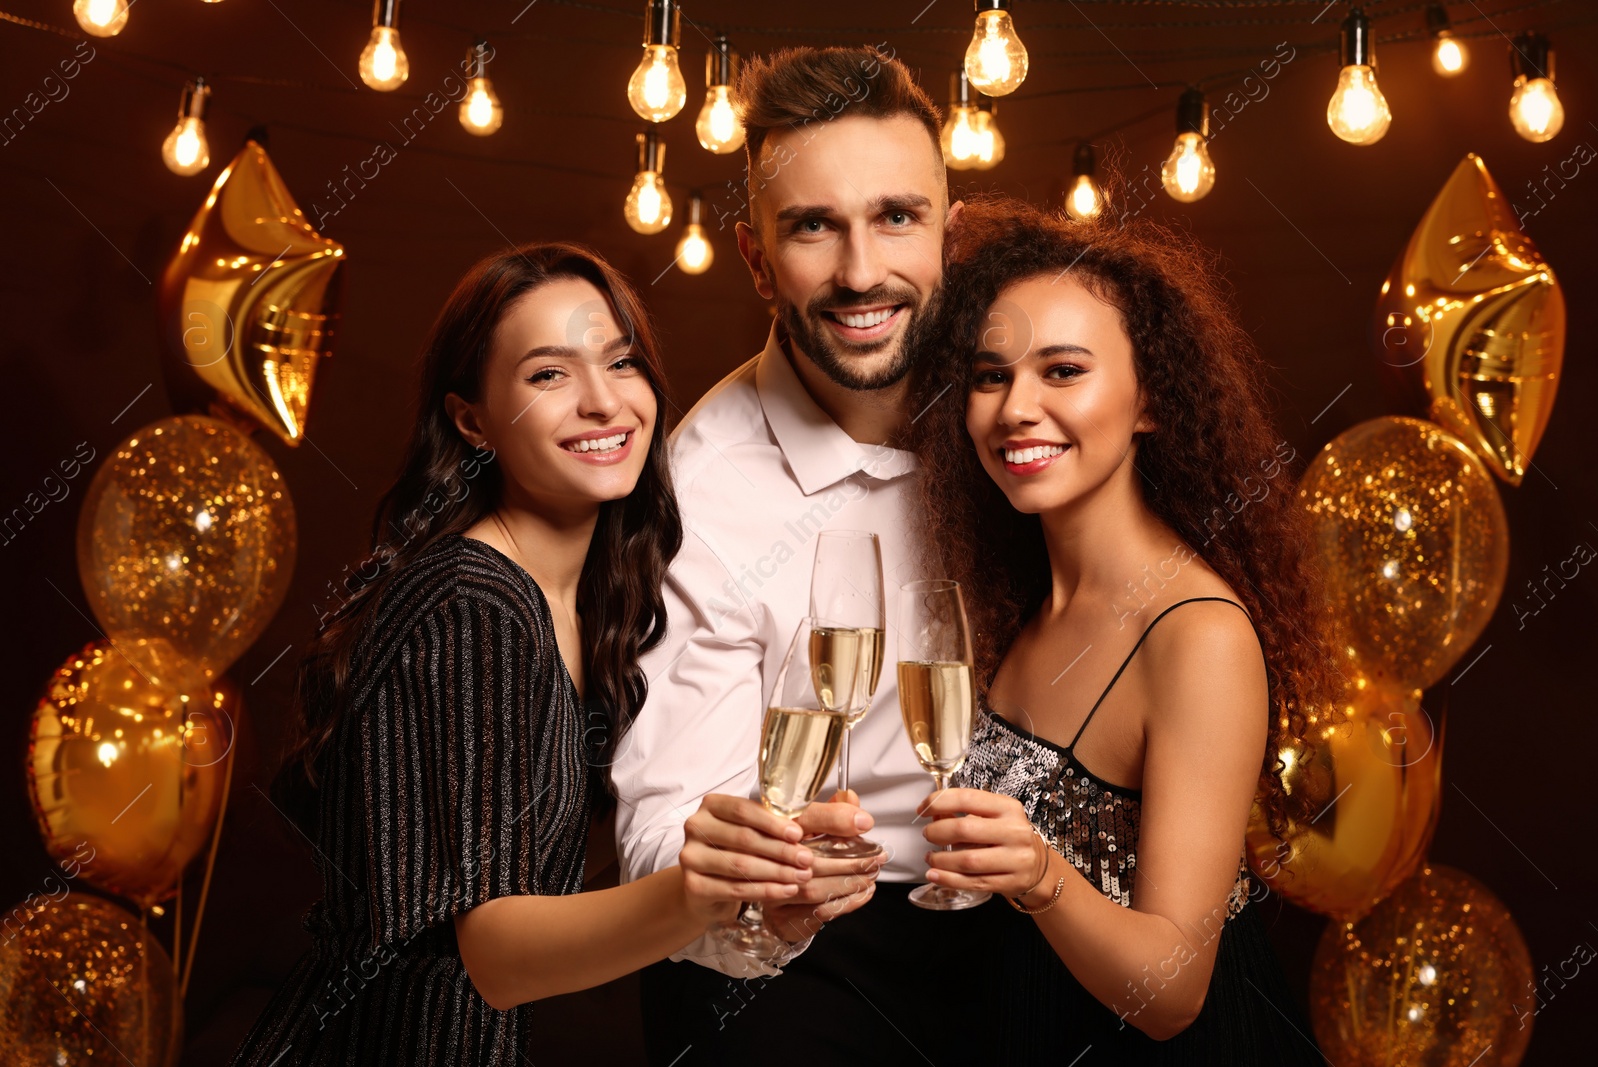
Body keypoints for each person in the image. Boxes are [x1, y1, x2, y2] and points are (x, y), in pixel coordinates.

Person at [230, 244, 813, 1067]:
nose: (604, 401)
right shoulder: (475, 600)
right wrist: (701, 891)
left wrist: (752, 888)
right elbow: (498, 954)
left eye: (621, 361)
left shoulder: (590, 600)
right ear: (471, 419)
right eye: (549, 375)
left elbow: (554, 872)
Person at [611, 46, 1006, 1066]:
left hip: (1013, 915)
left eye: (896, 217)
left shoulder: (1016, 415)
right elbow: (659, 831)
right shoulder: (697, 490)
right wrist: (762, 896)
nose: (861, 271)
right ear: (755, 258)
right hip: (799, 949)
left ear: (949, 237)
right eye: (813, 228)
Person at [907, 196, 1335, 1063]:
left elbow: (1173, 993)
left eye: (1063, 370)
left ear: (1150, 401)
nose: (1016, 407)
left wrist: (1036, 872)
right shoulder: (1017, 597)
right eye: (991, 375)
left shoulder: (1199, 636)